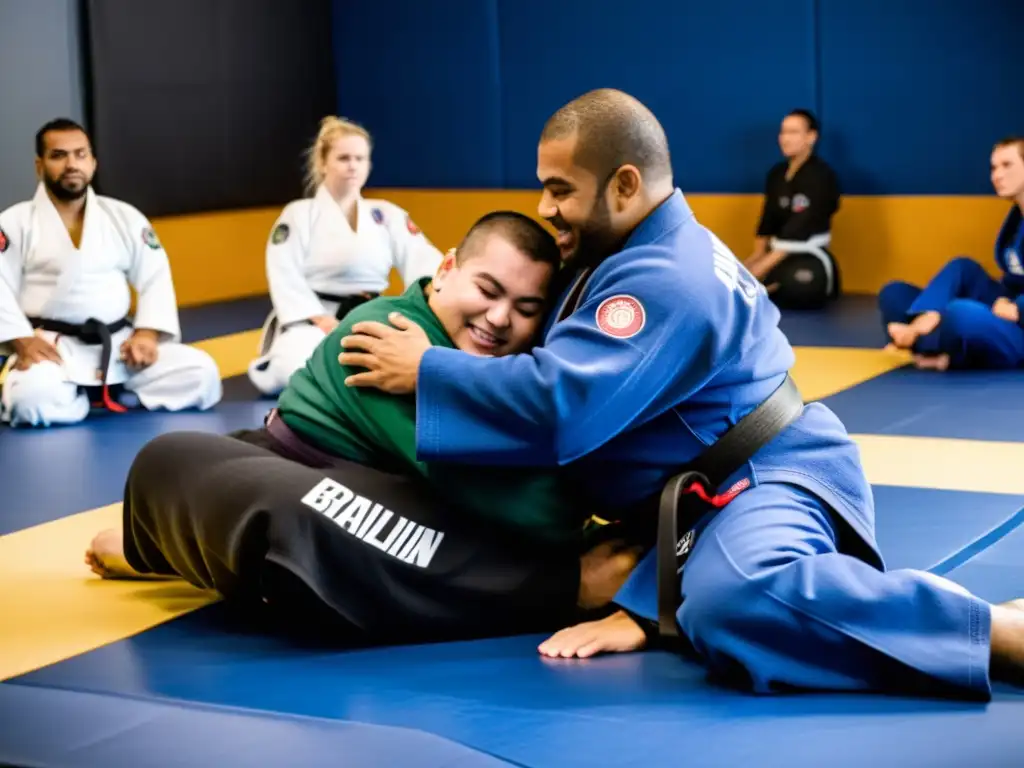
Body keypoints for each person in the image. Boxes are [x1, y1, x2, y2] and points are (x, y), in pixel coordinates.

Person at [338, 88, 1024, 701]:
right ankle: (666, 596)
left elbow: (559, 408)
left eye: (560, 189)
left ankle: (991, 630)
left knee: (735, 601)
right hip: (698, 500)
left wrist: (426, 370)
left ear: (625, 184)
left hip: (765, 479)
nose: (546, 208)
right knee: (693, 600)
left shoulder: (667, 276)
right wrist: (647, 601)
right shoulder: (630, 252)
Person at [86, 211, 637, 644]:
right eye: (487, 290)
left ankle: (206, 561)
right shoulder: (384, 333)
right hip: (303, 483)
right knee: (178, 461)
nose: (499, 318)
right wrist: (581, 522)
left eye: (525, 308)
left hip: (387, 514)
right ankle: (568, 583)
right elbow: (490, 490)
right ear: (446, 270)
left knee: (365, 520)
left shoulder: (503, 367)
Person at [0, 118, 222, 428]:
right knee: (31, 401)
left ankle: (101, 390)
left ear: (93, 162)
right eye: (58, 155)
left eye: (80, 154)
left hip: (119, 346)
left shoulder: (124, 216)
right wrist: (20, 340)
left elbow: (155, 276)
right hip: (52, 347)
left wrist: (147, 332)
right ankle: (82, 392)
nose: (71, 164)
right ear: (40, 165)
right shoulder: (15, 222)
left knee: (202, 375)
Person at [247, 117, 444, 396]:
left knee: (414, 358)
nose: (353, 165)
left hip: (370, 316)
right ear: (323, 162)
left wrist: (430, 298)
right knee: (299, 363)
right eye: (343, 158)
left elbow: (422, 260)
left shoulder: (386, 214)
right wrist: (323, 321)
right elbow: (283, 273)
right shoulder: (299, 214)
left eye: (360, 158)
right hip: (313, 322)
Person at [878, 136, 1024, 371]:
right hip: (1005, 307)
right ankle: (928, 326)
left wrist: (1018, 308)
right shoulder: (1016, 220)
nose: (996, 175)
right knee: (895, 294)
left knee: (960, 312)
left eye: (1007, 165)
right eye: (994, 167)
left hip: (1019, 322)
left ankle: (931, 341)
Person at [744, 109, 841, 310]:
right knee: (745, 277)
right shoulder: (776, 174)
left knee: (799, 284)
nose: (785, 138)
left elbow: (802, 225)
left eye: (793, 132)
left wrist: (762, 268)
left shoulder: (822, 177)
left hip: (807, 253)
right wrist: (754, 260)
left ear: (811, 137)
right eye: (783, 132)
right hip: (776, 252)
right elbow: (767, 220)